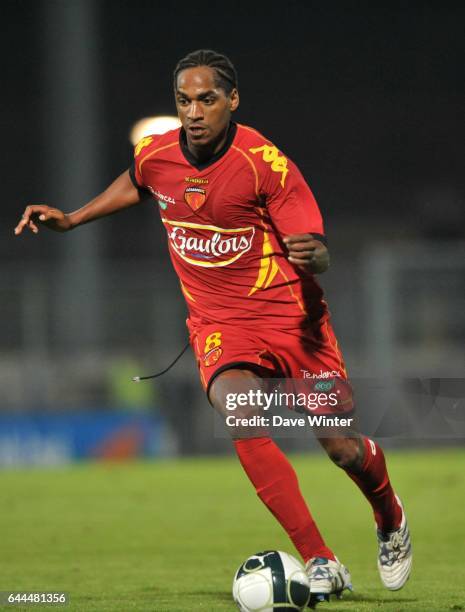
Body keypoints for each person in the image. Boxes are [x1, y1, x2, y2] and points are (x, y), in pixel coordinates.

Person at [15, 49, 412, 606]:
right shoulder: (156, 154)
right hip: (220, 324)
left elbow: (314, 247)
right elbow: (137, 182)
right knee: (242, 411)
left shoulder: (265, 163)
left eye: (206, 99)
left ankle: (389, 515)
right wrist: (74, 219)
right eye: (184, 100)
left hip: (292, 319)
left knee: (341, 447)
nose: (194, 112)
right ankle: (321, 560)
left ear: (232, 100)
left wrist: (316, 259)